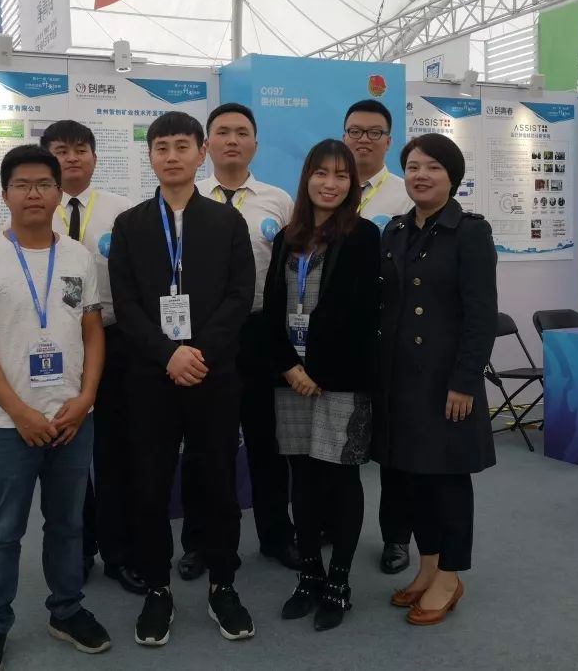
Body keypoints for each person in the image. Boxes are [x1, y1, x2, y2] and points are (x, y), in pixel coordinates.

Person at [0, 145, 111, 670]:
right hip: (9, 423)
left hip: (72, 419)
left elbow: (93, 332)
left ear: (58, 192)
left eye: (44, 184)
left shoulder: (78, 257)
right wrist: (21, 413)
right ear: (5, 194)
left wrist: (86, 399)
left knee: (67, 525)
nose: (33, 194)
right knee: (3, 532)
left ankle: (66, 610)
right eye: (21, 185)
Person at [108, 111, 256, 646]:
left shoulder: (227, 222)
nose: (171, 156)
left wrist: (198, 353)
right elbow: (125, 304)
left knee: (216, 481)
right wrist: (168, 354)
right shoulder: (129, 225)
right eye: (161, 147)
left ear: (201, 153)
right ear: (150, 156)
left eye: (181, 146)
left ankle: (223, 585)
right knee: (149, 485)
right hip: (151, 378)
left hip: (214, 375)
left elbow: (240, 296)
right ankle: (157, 589)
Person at [375, 132, 497, 626]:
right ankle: (427, 567)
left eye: (432, 167)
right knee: (411, 479)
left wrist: (465, 381)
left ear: (452, 177)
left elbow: (481, 316)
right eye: (412, 167)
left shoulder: (470, 232)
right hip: (400, 382)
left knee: (447, 480)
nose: (420, 175)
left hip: (446, 384)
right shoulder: (396, 231)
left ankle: (450, 575)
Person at [262, 139, 381, 631]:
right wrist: (290, 367)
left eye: (341, 176)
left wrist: (319, 374)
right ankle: (309, 574)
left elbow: (363, 316)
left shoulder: (363, 236)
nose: (330, 184)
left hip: (340, 380)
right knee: (304, 480)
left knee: (341, 479)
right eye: (321, 173)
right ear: (307, 177)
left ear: (352, 184)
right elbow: (271, 309)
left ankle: (339, 581)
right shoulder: (287, 238)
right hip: (291, 380)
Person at [176, 103, 297, 581]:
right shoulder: (185, 197)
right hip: (203, 336)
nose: (232, 140)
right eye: (222, 132)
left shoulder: (278, 201)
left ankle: (276, 535)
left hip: (260, 332)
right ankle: (199, 542)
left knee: (268, 442)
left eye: (242, 132)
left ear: (255, 145)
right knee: (204, 443)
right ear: (207, 145)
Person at [39, 120, 144, 595]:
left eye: (80, 149)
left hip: (116, 341)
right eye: (61, 150)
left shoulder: (124, 211)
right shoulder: (35, 211)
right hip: (57, 346)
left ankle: (120, 553)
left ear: (95, 158)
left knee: (117, 452)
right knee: (67, 449)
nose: (72, 157)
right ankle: (79, 550)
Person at [342, 98, 415, 576]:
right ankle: (333, 524)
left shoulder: (406, 195)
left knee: (393, 446)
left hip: (391, 340)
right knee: (337, 439)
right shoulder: (328, 188)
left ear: (388, 141)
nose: (363, 140)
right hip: (340, 340)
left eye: (373, 132)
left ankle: (396, 537)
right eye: (355, 131)